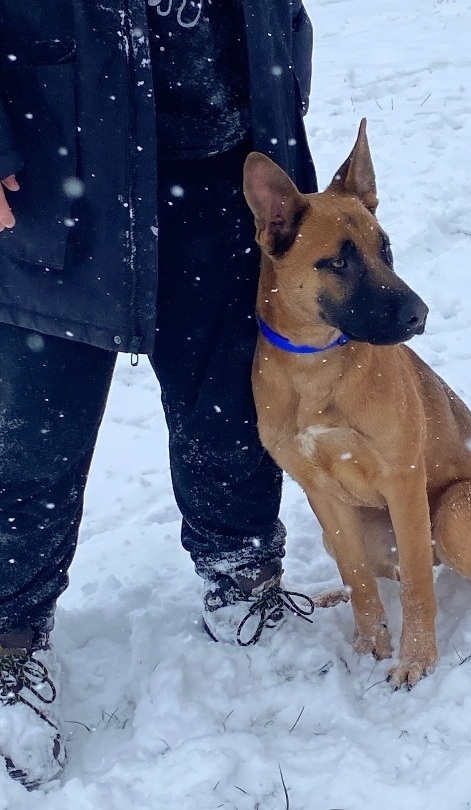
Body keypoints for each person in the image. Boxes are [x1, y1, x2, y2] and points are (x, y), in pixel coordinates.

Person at [0, 0, 318, 787]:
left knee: (230, 405)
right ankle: (9, 640)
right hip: (58, 168)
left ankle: (240, 574)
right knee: (37, 427)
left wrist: (283, 88)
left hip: (222, 173)